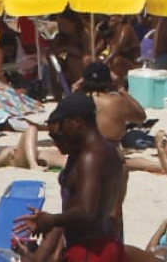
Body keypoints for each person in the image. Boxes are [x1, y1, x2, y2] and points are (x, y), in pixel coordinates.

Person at [20, 92, 128, 262]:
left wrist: (52, 219)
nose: (56, 141)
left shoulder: (90, 157)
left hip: (90, 250)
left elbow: (86, 211)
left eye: (59, 134)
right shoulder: (106, 150)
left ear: (76, 122)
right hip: (107, 244)